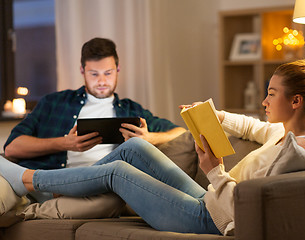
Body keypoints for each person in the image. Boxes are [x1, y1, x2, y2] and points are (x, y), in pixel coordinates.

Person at [0, 53, 305, 235]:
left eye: (271, 93)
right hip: (209, 200)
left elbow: (242, 215)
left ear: (296, 101)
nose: (265, 101)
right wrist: (211, 114)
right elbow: (249, 125)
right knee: (135, 148)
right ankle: (50, 184)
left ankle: (28, 180)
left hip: (210, 218)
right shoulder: (282, 134)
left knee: (119, 171)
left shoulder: (298, 155)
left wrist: (214, 171)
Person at [2, 37, 185, 217]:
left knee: (113, 199)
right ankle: (33, 188)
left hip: (91, 188)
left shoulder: (131, 110)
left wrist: (149, 139)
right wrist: (65, 143)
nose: (102, 81)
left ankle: (24, 212)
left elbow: (180, 132)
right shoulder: (54, 102)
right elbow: (11, 149)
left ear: (118, 69)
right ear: (82, 71)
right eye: (94, 74)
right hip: (44, 180)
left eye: (108, 73)